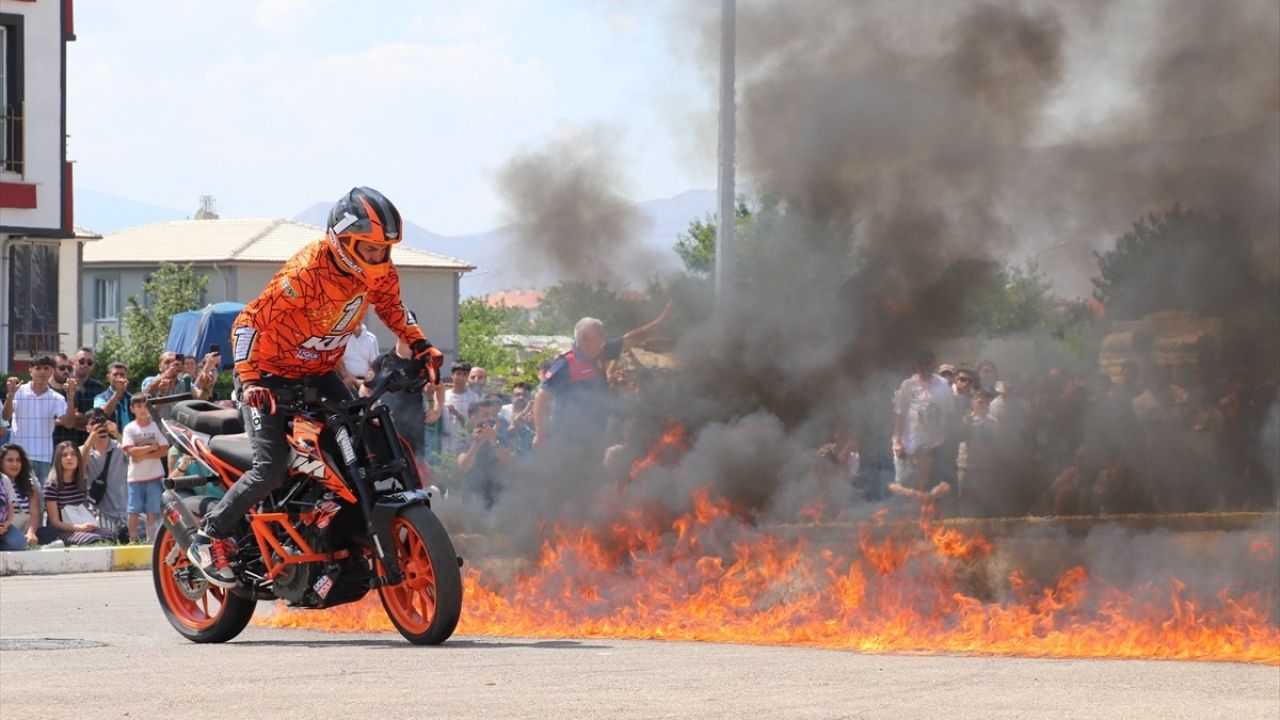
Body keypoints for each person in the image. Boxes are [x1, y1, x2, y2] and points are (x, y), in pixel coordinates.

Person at [188, 186, 444, 587]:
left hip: (319, 371)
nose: (379, 257)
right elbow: (248, 323)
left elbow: (393, 309)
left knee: (363, 431)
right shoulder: (306, 273)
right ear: (342, 240)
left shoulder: (379, 272)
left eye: (384, 249)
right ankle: (210, 536)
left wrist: (422, 344)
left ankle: (343, 532)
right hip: (266, 373)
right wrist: (251, 379)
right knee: (270, 467)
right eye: (370, 248)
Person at [532, 301, 672, 456]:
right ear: (586, 339)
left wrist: (660, 322)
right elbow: (541, 398)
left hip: (595, 436)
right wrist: (540, 434)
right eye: (600, 336)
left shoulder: (600, 354)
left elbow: (629, 339)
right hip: (568, 440)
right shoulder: (565, 364)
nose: (604, 340)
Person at [889, 349, 955, 505]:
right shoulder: (907, 385)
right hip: (911, 444)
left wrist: (949, 438)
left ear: (934, 365)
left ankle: (933, 514)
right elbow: (900, 414)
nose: (925, 367)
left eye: (928, 363)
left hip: (936, 443)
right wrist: (898, 440)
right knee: (905, 483)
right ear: (916, 365)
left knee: (938, 484)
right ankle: (906, 515)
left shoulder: (943, 384)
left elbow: (950, 413)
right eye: (921, 364)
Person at [3, 356, 78, 481]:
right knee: (17, 497)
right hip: (19, 456)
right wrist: (10, 395)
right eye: (38, 368)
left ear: (51, 371)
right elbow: (5, 416)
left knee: (41, 499)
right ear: (30, 371)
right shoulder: (18, 391)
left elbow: (69, 424)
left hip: (43, 457)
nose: (42, 372)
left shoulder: (56, 397)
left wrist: (70, 398)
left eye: (46, 368)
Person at [43, 441, 115, 545]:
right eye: (64, 455)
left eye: (73, 454)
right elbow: (55, 522)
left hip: (81, 525)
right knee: (91, 539)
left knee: (109, 535)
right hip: (62, 530)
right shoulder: (51, 486)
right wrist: (79, 528)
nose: (69, 458)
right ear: (58, 459)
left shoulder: (81, 482)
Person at [122, 394, 168, 543]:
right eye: (139, 406)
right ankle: (133, 540)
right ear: (132, 409)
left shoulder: (155, 426)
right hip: (135, 477)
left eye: (145, 406)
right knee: (133, 509)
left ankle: (150, 540)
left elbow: (164, 450)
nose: (142, 410)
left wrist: (143, 454)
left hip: (154, 475)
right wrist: (151, 447)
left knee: (152, 510)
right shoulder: (129, 428)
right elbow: (131, 451)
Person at [80, 408, 130, 538]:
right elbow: (79, 469)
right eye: (94, 423)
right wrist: (90, 440)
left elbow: (136, 459)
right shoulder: (84, 450)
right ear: (87, 428)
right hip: (100, 513)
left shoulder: (120, 446)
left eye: (102, 421)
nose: (99, 426)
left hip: (124, 510)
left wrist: (117, 434)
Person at [457, 399, 511, 508]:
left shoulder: (499, 440)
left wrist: (493, 441)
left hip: (498, 498)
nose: (490, 419)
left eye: (492, 415)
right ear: (473, 419)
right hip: (474, 499)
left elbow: (509, 464)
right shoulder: (465, 441)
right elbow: (464, 467)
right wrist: (476, 444)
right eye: (485, 415)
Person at [54, 347, 108, 446]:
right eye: (82, 361)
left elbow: (101, 416)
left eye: (89, 363)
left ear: (93, 366)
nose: (85, 365)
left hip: (88, 445)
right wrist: (68, 419)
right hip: (61, 443)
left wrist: (84, 418)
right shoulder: (60, 384)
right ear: (73, 363)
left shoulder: (99, 388)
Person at [0, 444, 42, 548]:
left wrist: (31, 533)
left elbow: (34, 513)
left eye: (18, 460)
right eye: (10, 460)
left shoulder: (30, 486)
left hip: (21, 531)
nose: (15, 464)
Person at [441, 361, 478, 455]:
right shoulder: (443, 396)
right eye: (458, 374)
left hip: (465, 447)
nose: (461, 377)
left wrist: (456, 413)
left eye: (464, 374)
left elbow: (472, 426)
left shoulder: (474, 398)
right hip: (444, 446)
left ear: (468, 376)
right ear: (452, 375)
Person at [339, 323, 380, 391]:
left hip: (365, 383)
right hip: (345, 382)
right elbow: (336, 359)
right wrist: (346, 376)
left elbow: (375, 365)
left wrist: (367, 383)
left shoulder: (371, 338)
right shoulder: (341, 338)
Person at [498, 381, 535, 455]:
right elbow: (508, 432)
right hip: (505, 450)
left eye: (525, 395)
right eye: (517, 395)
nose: (521, 398)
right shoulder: (502, 411)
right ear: (511, 397)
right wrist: (525, 411)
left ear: (530, 397)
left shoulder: (535, 412)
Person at [94, 362, 133, 430]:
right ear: (108, 378)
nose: (119, 377)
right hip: (110, 439)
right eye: (115, 374)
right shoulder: (100, 398)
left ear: (127, 377)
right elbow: (102, 414)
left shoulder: (132, 398)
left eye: (122, 374)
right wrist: (118, 392)